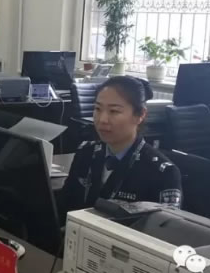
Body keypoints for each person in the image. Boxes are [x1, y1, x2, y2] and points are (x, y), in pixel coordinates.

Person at [57, 76, 182, 217]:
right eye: (98, 109)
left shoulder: (162, 173)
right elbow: (63, 207)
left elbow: (164, 227)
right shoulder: (86, 152)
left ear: (140, 115)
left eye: (114, 111)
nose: (102, 119)